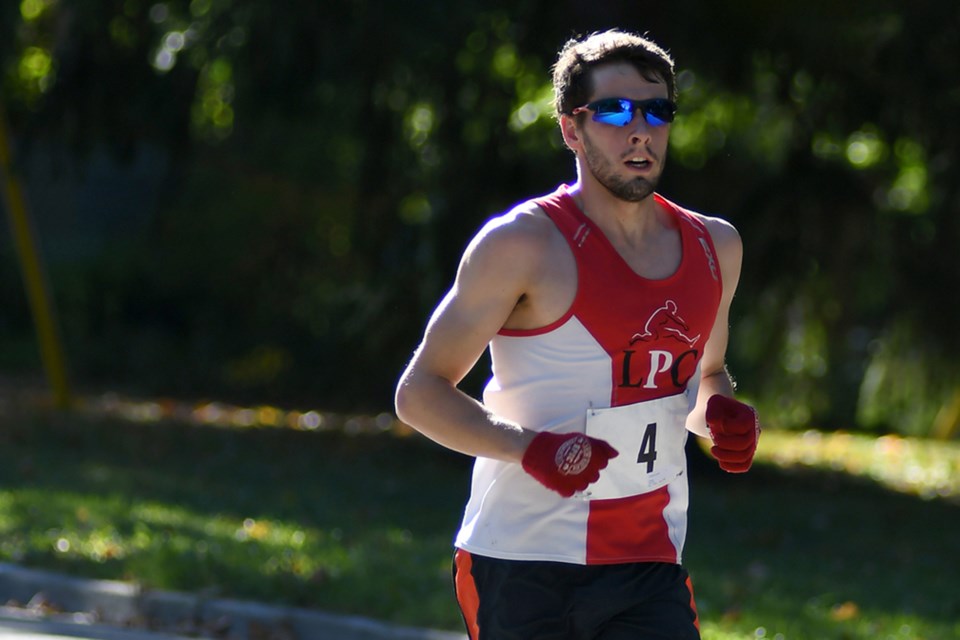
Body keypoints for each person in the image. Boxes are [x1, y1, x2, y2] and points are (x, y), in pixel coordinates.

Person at [395, 28, 760, 640]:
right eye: (615, 111)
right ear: (571, 128)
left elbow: (702, 380)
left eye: (657, 111)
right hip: (522, 561)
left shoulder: (715, 246)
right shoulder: (523, 243)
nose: (639, 130)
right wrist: (529, 449)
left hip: (649, 562)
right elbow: (418, 393)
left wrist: (720, 414)